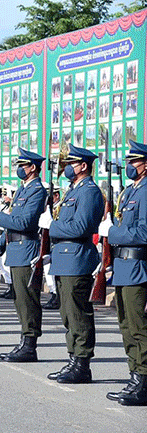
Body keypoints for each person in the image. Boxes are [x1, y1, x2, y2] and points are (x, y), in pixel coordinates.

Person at [38, 144, 104, 383]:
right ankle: (73, 359)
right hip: (64, 258)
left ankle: (82, 363)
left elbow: (81, 227)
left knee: (78, 314)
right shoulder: (73, 190)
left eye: (71, 164)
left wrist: (51, 226)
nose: (66, 168)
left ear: (83, 166)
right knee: (68, 314)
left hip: (77, 259)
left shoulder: (89, 191)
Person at [99, 139, 147, 406]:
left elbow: (144, 232)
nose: (129, 165)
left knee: (138, 327)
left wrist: (113, 232)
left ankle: (144, 380)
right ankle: (135, 376)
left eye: (134, 161)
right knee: (127, 326)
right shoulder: (130, 191)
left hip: (138, 267)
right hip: (123, 267)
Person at [0, 148, 47, 361]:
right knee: (19, 299)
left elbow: (24, 222)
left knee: (27, 300)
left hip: (26, 250)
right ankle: (24, 340)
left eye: (22, 166)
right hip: (15, 249)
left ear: (32, 168)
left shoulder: (37, 190)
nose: (19, 169)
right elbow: (14, 222)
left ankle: (30, 344)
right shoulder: (23, 190)